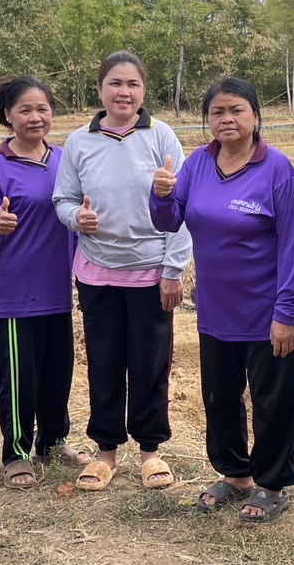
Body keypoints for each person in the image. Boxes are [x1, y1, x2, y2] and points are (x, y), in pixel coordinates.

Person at [149, 77, 294, 523]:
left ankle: (273, 483)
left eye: (236, 110)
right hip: (215, 309)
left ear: (256, 116)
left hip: (265, 312)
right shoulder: (198, 163)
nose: (227, 119)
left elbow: (293, 246)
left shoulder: (277, 171)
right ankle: (235, 475)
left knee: (273, 399)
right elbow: (168, 219)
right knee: (219, 396)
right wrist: (160, 193)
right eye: (217, 112)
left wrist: (285, 313)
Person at [53, 51, 192, 491]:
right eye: (115, 83)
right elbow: (63, 200)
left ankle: (151, 451)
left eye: (133, 84)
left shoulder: (162, 136)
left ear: (143, 90)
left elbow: (182, 208)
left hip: (151, 273)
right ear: (100, 89)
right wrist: (78, 219)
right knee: (104, 363)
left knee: (151, 362)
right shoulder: (79, 142)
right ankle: (106, 450)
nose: (124, 92)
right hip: (97, 272)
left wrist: (173, 270)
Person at [0, 76, 89, 489]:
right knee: (19, 377)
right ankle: (17, 453)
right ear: (8, 116)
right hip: (17, 293)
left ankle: (54, 441)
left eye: (42, 108)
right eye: (25, 109)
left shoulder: (64, 159)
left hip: (59, 288)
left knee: (58, 372)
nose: (35, 117)